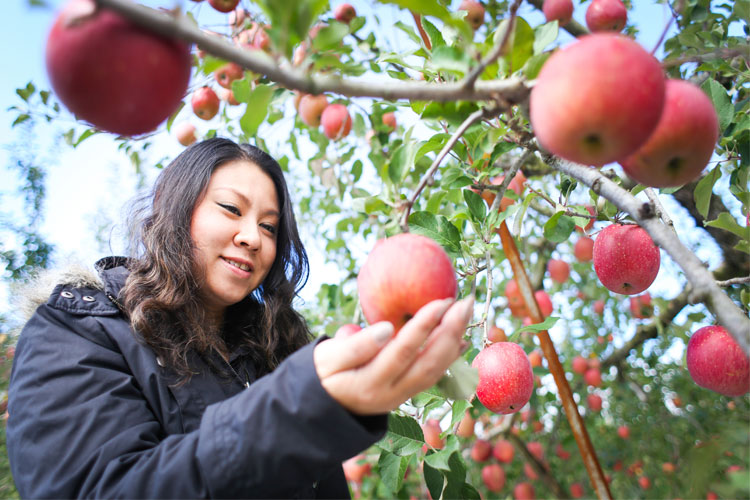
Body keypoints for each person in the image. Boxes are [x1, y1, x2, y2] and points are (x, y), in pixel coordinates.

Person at [7, 138, 473, 499]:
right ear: (176, 209)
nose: (253, 237)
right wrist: (297, 410)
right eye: (231, 209)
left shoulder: (272, 355)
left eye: (270, 227)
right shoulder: (78, 331)